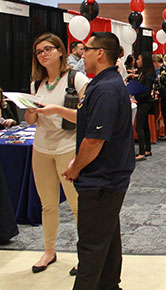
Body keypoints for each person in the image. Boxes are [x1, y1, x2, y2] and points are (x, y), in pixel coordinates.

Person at [62, 31, 135, 290]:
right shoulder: (105, 83)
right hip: (107, 177)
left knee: (91, 247)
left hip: (102, 178)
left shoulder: (105, 88)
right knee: (107, 240)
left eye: (87, 49)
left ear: (100, 53)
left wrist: (75, 166)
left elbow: (94, 140)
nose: (84, 54)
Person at [25, 33, 88, 275]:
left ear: (60, 51)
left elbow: (86, 116)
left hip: (67, 148)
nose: (43, 54)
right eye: (39, 51)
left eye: (48, 49)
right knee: (48, 204)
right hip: (41, 148)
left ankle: (85, 255)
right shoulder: (36, 84)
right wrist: (31, 112)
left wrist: (57, 109)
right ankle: (49, 251)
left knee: (76, 205)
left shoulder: (76, 78)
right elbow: (32, 120)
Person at [132, 52, 155, 161]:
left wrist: (136, 94)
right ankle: (147, 149)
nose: (137, 61)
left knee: (139, 127)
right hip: (142, 102)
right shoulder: (143, 73)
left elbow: (146, 91)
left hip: (145, 103)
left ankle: (142, 152)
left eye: (139, 59)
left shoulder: (148, 74)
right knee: (144, 126)